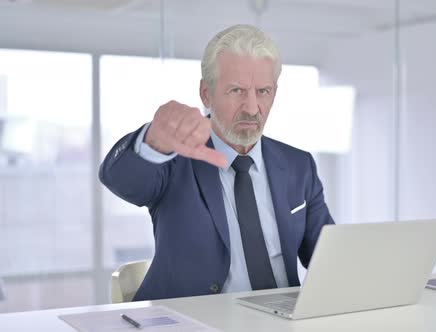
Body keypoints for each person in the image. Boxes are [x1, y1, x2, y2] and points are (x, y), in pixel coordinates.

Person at [99, 24, 335, 301]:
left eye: (263, 91)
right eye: (236, 90)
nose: (251, 107)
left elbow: (328, 259)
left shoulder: (299, 165)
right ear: (206, 93)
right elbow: (121, 179)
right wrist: (152, 143)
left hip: (282, 319)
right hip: (192, 319)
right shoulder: (175, 158)